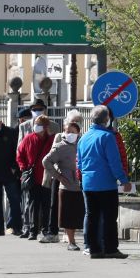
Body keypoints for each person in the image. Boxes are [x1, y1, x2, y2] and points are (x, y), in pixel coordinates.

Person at [77, 105, 130, 259]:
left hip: (88, 183)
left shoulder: (84, 137)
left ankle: (93, 249)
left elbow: (79, 163)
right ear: (106, 119)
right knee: (109, 217)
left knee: (92, 217)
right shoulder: (107, 137)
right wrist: (123, 180)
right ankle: (110, 248)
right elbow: (114, 162)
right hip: (106, 184)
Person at [42, 109, 83, 244]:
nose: (75, 124)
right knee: (55, 205)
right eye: (73, 121)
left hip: (76, 180)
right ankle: (53, 232)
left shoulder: (81, 138)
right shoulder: (60, 137)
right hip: (60, 176)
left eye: (78, 122)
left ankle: (69, 233)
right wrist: (59, 175)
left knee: (73, 206)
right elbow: (52, 156)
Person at [16, 115, 55, 240]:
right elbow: (19, 154)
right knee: (33, 203)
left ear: (45, 127)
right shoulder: (28, 138)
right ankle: (33, 230)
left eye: (39, 124)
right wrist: (23, 167)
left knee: (46, 204)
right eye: (36, 124)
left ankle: (44, 229)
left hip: (47, 177)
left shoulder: (51, 140)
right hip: (33, 176)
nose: (36, 126)